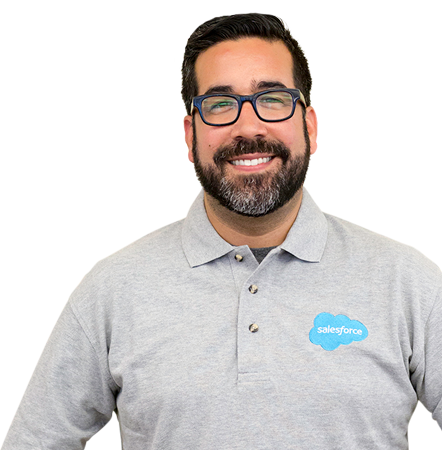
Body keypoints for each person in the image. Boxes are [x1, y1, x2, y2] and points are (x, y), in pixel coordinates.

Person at [3, 8, 441, 450]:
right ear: (189, 135)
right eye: (219, 105)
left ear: (310, 125)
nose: (248, 126)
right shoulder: (112, 292)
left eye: (273, 99)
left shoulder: (407, 283)